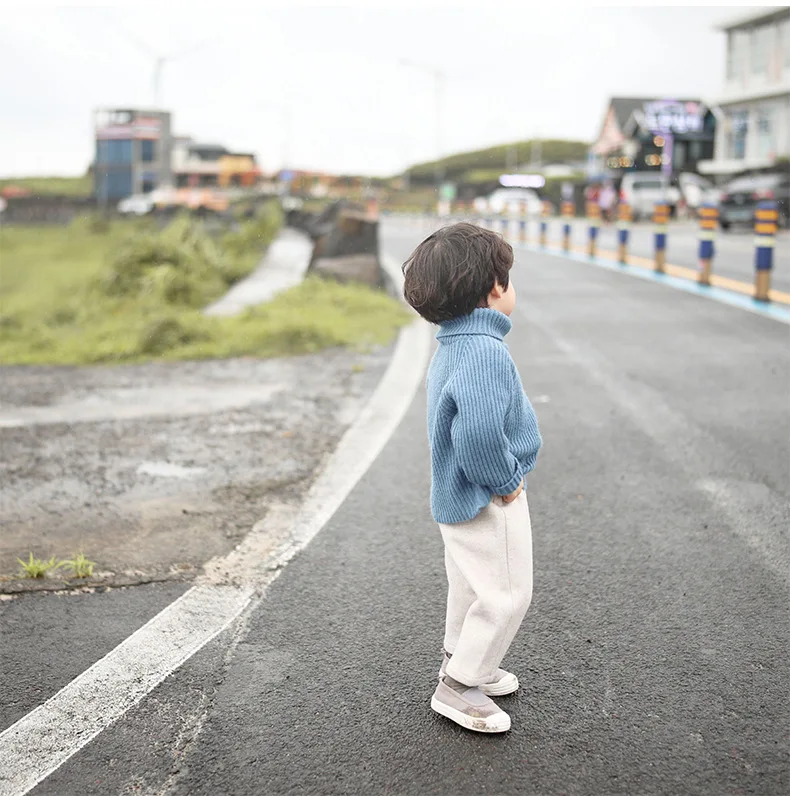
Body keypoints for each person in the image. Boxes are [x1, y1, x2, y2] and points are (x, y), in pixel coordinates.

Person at [401, 222, 542, 733]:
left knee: (471, 585)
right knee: (506, 591)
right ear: (495, 288)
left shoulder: (454, 345)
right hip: (487, 496)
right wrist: (505, 481)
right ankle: (460, 686)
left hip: (457, 494)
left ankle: (464, 660)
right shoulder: (485, 351)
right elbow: (479, 434)